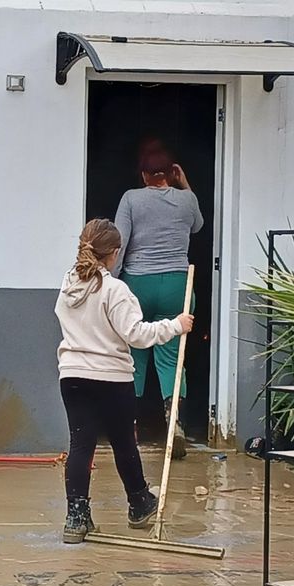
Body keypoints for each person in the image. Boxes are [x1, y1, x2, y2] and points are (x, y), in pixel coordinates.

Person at [55, 219, 195, 544]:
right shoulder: (115, 291)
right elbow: (136, 335)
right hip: (111, 379)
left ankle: (76, 519)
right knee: (123, 442)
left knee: (80, 445)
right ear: (114, 253)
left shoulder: (68, 285)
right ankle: (139, 503)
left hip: (73, 376)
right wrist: (176, 325)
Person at [113, 146, 204, 458]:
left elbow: (120, 242)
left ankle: (130, 426)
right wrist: (185, 184)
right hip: (177, 284)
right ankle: (174, 420)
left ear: (143, 175)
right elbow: (198, 225)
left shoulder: (131, 199)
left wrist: (111, 280)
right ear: (171, 173)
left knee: (134, 354)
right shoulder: (186, 199)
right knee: (171, 355)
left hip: (137, 283)